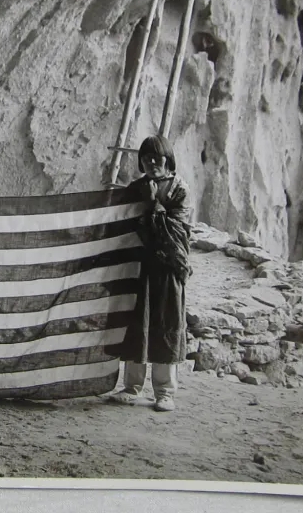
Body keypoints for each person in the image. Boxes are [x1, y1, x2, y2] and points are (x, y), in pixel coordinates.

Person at [106, 134, 192, 412]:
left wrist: (154, 203)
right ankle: (132, 386)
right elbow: (120, 223)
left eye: (157, 158)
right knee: (137, 324)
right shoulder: (135, 188)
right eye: (146, 159)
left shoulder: (179, 189)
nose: (152, 163)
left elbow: (176, 232)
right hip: (139, 267)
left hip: (168, 267)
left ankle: (165, 392)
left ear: (168, 159)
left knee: (165, 325)